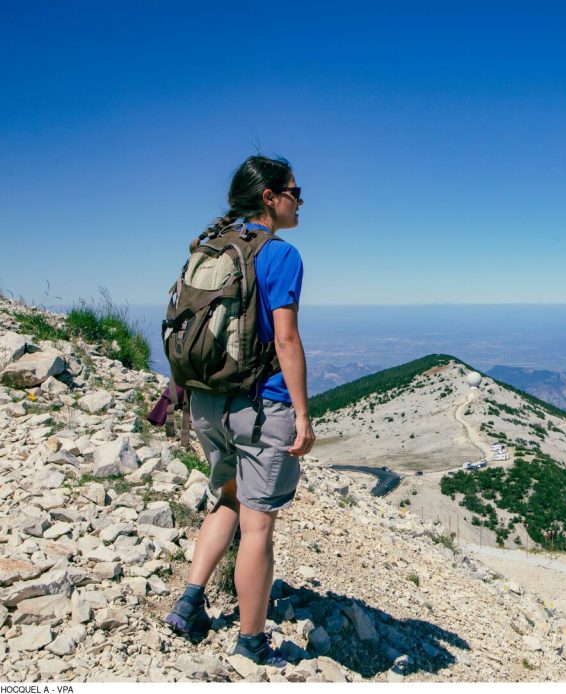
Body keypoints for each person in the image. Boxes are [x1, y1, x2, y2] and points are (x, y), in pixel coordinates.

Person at [164, 155, 315, 666]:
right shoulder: (280, 255)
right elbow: (287, 339)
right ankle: (251, 642)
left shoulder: (207, 249)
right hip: (259, 405)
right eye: (295, 191)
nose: (301, 200)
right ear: (270, 197)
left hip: (204, 403)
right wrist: (302, 413)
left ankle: (189, 602)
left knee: (225, 498)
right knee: (257, 526)